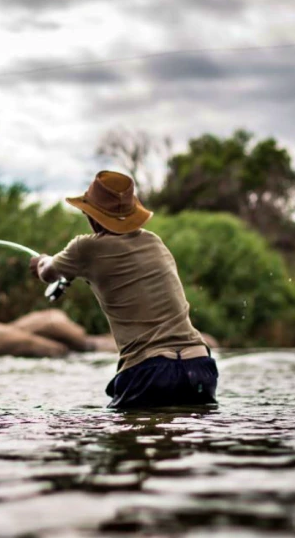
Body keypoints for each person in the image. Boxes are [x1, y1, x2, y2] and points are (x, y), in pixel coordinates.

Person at [30, 170, 218, 409]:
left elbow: (48, 272)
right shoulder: (154, 242)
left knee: (128, 439)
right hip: (200, 367)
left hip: (150, 372)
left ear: (92, 216)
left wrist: (41, 261)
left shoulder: (85, 248)